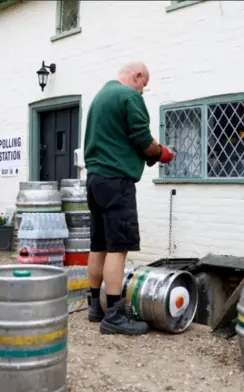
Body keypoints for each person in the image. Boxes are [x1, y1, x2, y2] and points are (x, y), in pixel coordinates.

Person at [82, 61, 175, 336]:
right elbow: (141, 138)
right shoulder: (129, 96)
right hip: (116, 181)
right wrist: (161, 153)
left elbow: (121, 138)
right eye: (143, 84)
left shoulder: (101, 97)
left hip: (95, 179)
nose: (143, 91)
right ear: (136, 76)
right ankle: (114, 314)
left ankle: (94, 306)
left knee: (98, 244)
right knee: (117, 248)